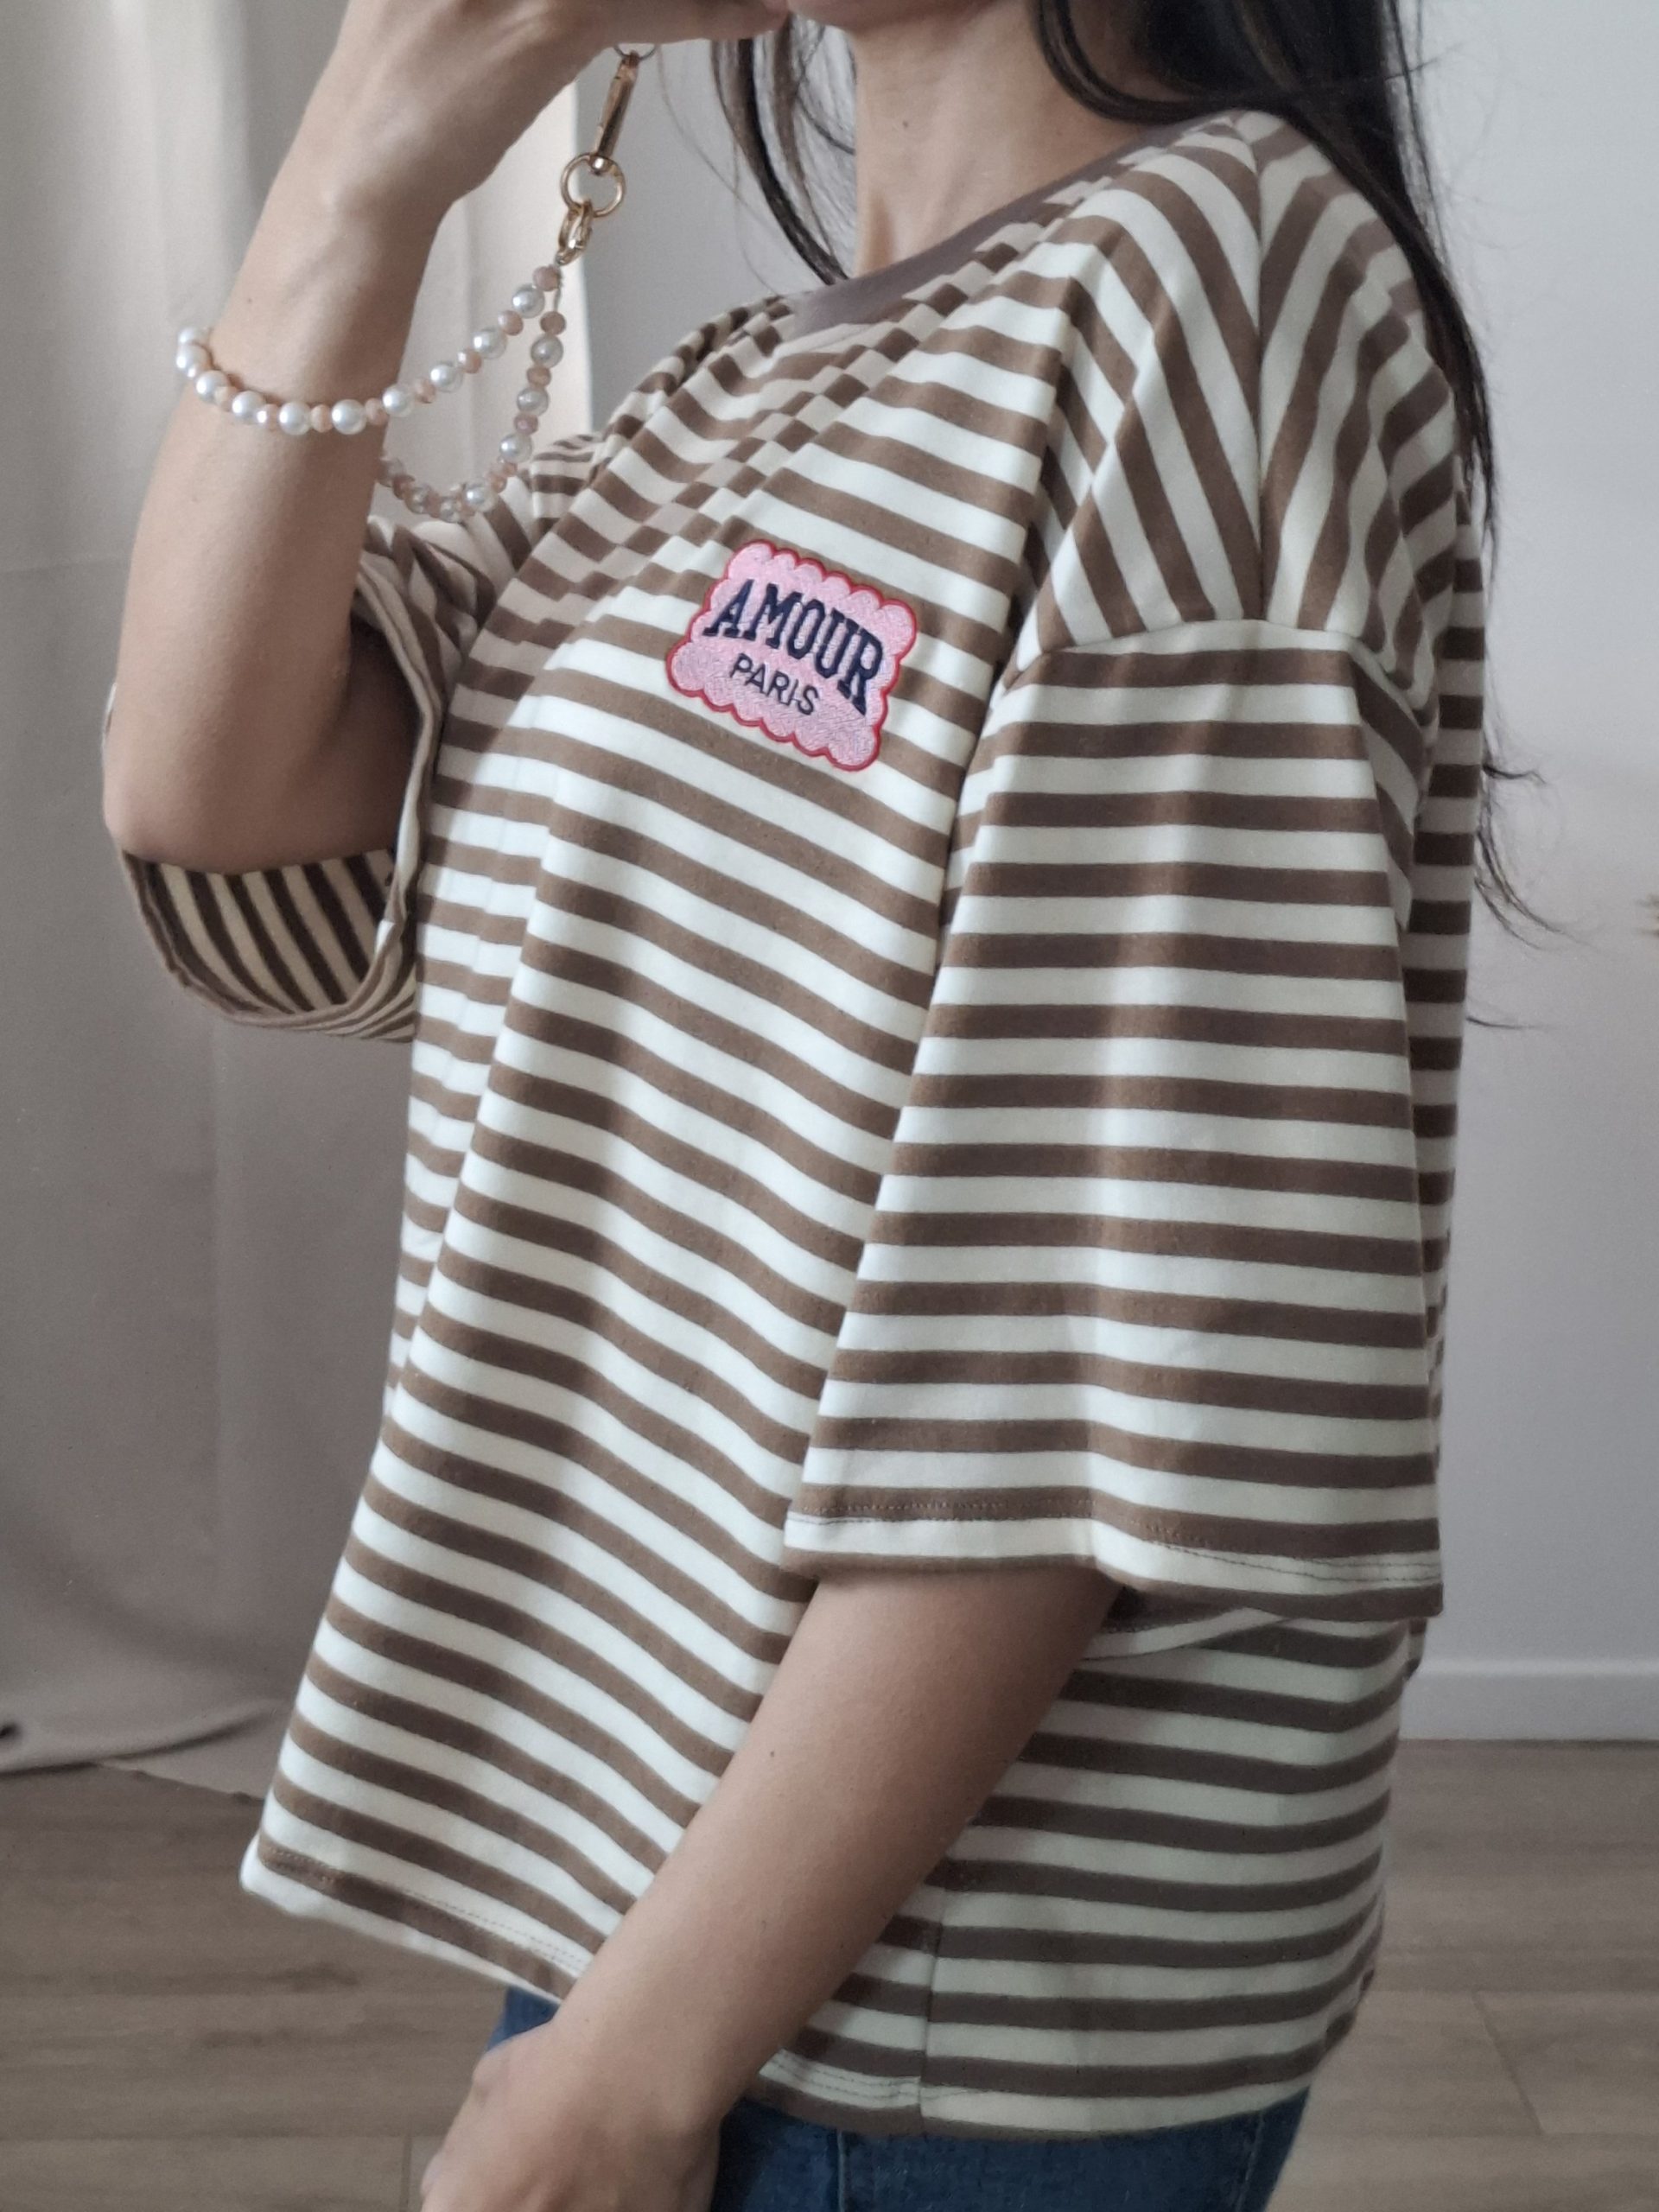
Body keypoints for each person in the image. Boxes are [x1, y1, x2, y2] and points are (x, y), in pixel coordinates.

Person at [101, 2, 1508, 2206]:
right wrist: (368, 155)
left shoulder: (1221, 286)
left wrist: (632, 2070)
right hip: (674, 1884)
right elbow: (218, 789)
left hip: (915, 1985)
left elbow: (1086, 1332)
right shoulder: (752, 388)